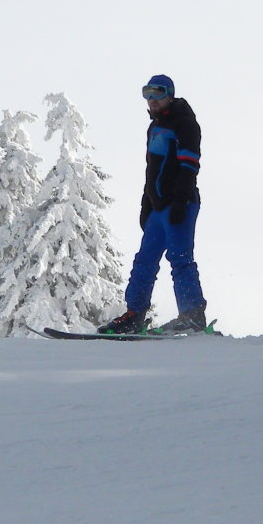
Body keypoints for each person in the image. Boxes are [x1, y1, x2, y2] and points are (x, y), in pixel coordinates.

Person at [99, 74, 209, 334]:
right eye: (147, 94)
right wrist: (146, 205)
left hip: (180, 203)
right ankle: (134, 314)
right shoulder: (155, 127)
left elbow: (189, 163)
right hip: (157, 208)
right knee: (144, 261)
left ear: (169, 94)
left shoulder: (184, 122)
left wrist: (180, 199)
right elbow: (152, 170)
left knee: (180, 257)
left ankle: (192, 315)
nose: (152, 100)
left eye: (157, 93)